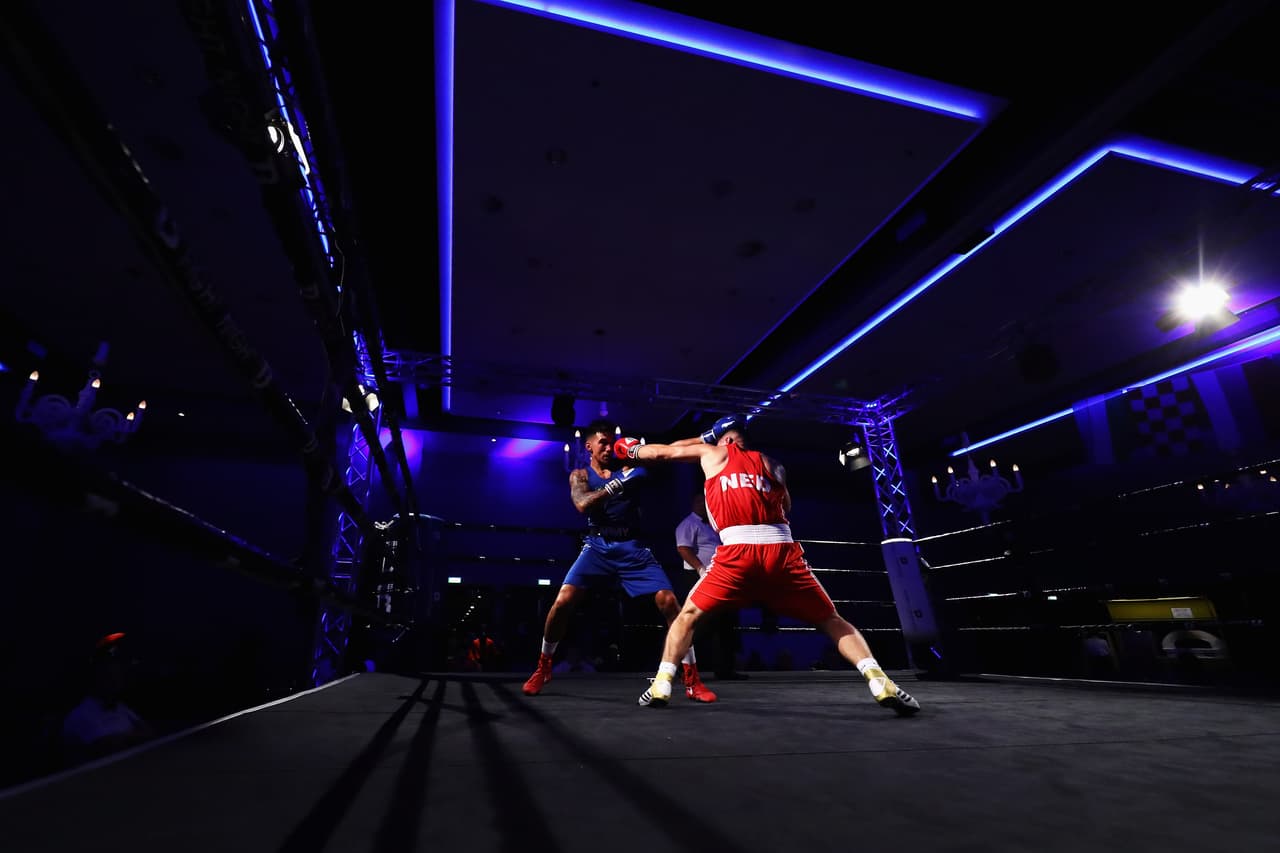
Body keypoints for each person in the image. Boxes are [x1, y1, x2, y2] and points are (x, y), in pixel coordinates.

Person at [614, 414, 920, 715]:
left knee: (688, 616)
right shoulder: (775, 465)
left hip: (738, 553)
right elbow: (786, 507)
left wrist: (631, 450)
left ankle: (662, 685)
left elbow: (666, 452)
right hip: (782, 552)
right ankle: (880, 681)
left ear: (726, 440)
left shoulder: (713, 454)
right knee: (831, 620)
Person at [522, 419, 717, 702]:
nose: (609, 447)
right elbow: (580, 504)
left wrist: (708, 436)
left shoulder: (631, 466)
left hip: (633, 547)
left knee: (669, 602)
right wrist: (615, 486)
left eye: (612, 441)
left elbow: (669, 450)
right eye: (603, 442)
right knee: (563, 601)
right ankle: (543, 667)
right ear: (589, 446)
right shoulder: (581, 475)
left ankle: (691, 678)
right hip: (597, 546)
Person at [675, 491, 747, 680]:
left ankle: (725, 669)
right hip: (699, 577)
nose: (702, 504)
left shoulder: (715, 525)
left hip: (721, 577)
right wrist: (700, 569)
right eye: (699, 501)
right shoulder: (689, 524)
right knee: (701, 623)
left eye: (705, 501)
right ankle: (680, 666)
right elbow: (683, 548)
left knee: (726, 623)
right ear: (693, 503)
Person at [60, 632, 154, 765]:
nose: (117, 681)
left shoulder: (121, 707)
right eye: (110, 676)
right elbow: (108, 747)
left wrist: (123, 739)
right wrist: (132, 736)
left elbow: (149, 732)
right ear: (96, 679)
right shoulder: (80, 714)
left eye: (117, 676)